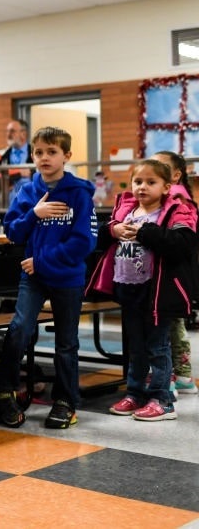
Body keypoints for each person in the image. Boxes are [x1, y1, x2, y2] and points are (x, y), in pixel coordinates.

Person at [0, 126, 96, 430]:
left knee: (66, 342)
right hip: (34, 277)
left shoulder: (79, 193)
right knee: (19, 329)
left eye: (52, 152)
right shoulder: (27, 191)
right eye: (39, 152)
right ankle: (4, 391)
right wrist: (34, 214)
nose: (44, 157)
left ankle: (66, 401)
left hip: (64, 276)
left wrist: (43, 261)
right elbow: (12, 231)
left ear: (66, 156)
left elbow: (83, 242)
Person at [87, 159, 197, 421]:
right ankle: (135, 393)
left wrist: (146, 232)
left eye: (151, 182)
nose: (142, 187)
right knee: (135, 347)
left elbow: (182, 244)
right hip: (128, 288)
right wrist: (113, 230)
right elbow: (99, 238)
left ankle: (162, 399)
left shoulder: (174, 212)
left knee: (157, 346)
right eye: (138, 182)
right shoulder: (126, 210)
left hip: (156, 292)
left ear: (167, 187)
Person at [146, 151, 197, 395]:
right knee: (172, 325)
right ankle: (181, 375)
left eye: (160, 166)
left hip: (172, 274)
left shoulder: (177, 200)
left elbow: (177, 239)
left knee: (168, 326)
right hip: (166, 272)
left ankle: (172, 377)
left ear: (174, 176)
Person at [0, 119, 32, 206]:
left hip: (33, 205)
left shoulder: (37, 153)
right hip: (7, 206)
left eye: (12, 131)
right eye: (7, 131)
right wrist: (18, 173)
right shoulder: (0, 154)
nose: (8, 134)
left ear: (23, 134)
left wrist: (8, 175)